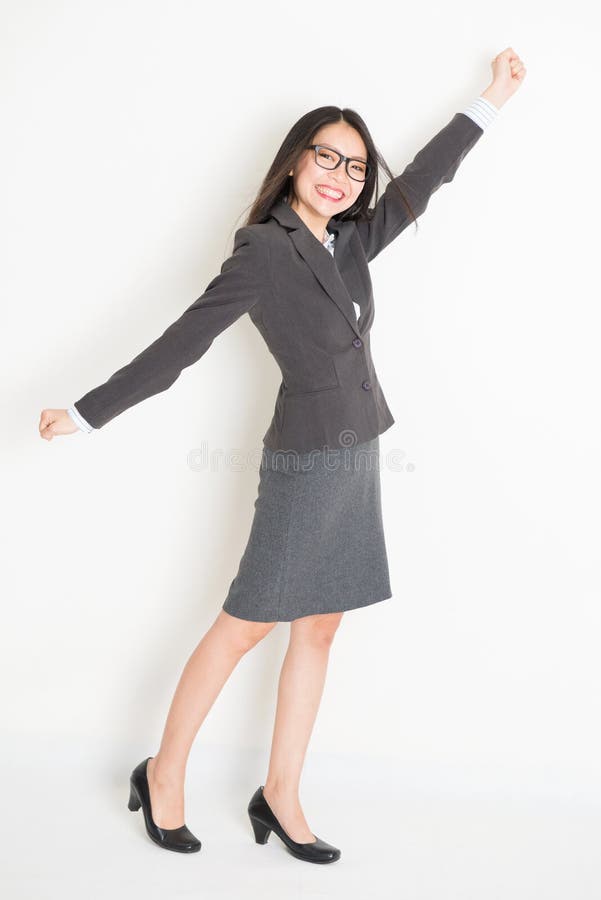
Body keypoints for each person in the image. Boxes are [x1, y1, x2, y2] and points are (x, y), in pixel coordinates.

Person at [38, 48, 526, 864]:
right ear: (296, 160)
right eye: (326, 156)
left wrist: (491, 99)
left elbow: (424, 182)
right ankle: (162, 771)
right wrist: (87, 415)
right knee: (243, 627)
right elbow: (180, 345)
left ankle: (281, 793)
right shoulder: (264, 250)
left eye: (355, 165)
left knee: (321, 629)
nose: (339, 174)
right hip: (303, 462)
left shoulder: (349, 242)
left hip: (359, 451)